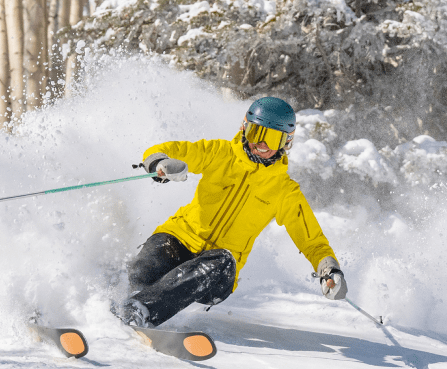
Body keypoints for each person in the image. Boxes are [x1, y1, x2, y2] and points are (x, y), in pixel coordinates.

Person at [118, 96, 347, 328]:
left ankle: (140, 311)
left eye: (272, 138)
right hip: (178, 239)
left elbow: (312, 240)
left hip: (218, 270)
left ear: (286, 142)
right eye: (257, 133)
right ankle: (119, 301)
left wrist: (329, 269)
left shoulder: (284, 191)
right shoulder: (220, 153)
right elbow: (170, 150)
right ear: (244, 128)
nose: (262, 144)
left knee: (221, 261)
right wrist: (160, 162)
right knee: (142, 273)